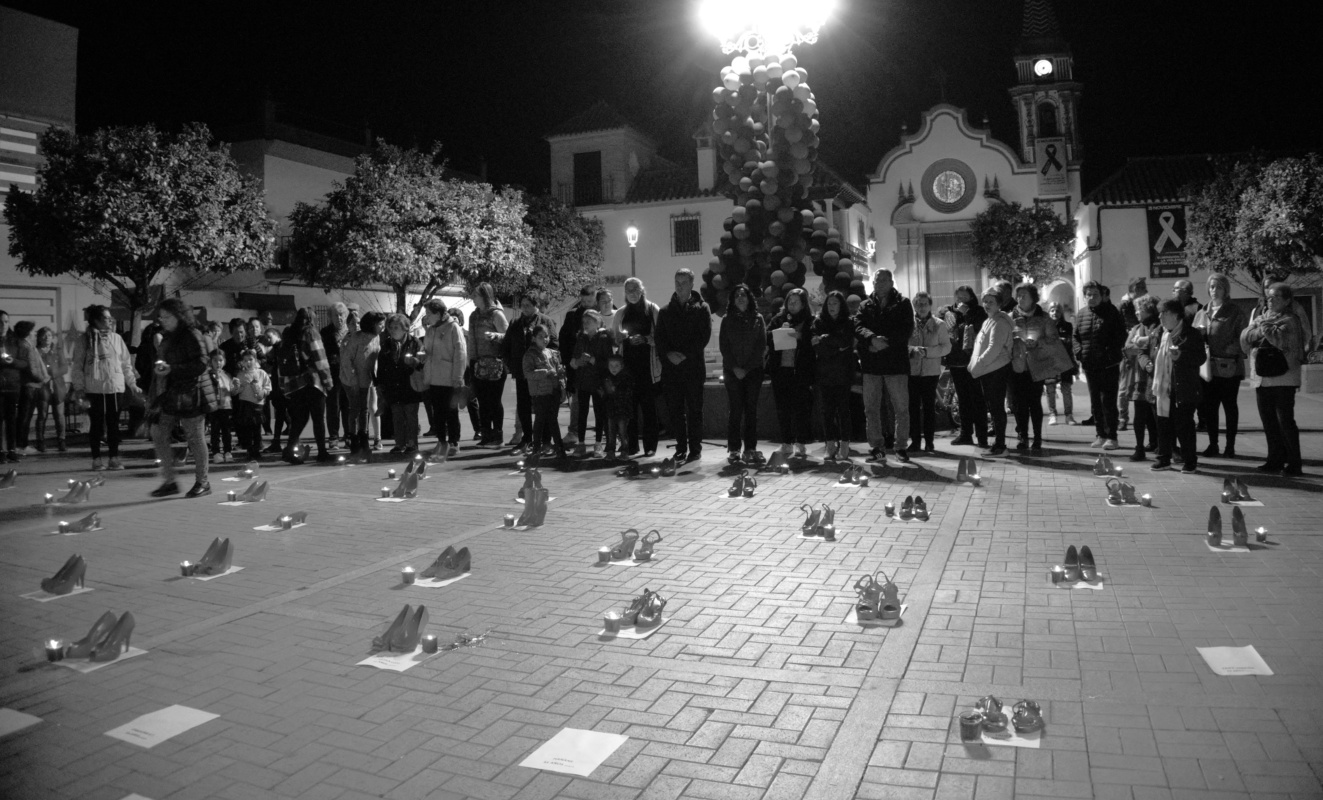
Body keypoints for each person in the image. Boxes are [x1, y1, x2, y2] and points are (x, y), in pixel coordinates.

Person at [147, 298, 215, 497]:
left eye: (167, 317)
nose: (162, 320)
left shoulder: (191, 334)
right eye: (161, 317)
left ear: (179, 316)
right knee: (158, 431)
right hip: (170, 392)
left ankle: (203, 482)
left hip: (192, 393)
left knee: (195, 437)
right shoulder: (168, 336)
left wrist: (172, 369)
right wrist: (161, 368)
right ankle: (169, 481)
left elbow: (202, 364)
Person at [1241, 282, 1306, 476]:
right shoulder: (1263, 317)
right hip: (1262, 378)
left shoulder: (1291, 320)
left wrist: (1261, 328)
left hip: (1284, 378)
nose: (1271, 300)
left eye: (1276, 297)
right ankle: (1274, 459)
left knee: (1285, 421)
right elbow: (1245, 336)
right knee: (1268, 421)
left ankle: (1294, 462)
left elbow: (1278, 339)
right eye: (1269, 297)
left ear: (1287, 300)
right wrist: (1263, 328)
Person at [854, 269, 914, 464]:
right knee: (871, 408)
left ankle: (901, 447)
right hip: (872, 366)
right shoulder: (865, 305)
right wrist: (871, 339)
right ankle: (877, 448)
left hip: (895, 364)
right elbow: (858, 326)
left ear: (891, 282)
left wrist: (883, 342)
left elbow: (905, 329)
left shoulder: (903, 303)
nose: (879, 283)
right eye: (876, 279)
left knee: (901, 408)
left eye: (883, 280)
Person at [69, 305, 137, 470]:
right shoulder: (84, 340)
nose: (110, 321)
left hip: (114, 387)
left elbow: (125, 363)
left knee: (114, 424)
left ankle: (114, 458)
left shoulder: (116, 339)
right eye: (106, 318)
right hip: (94, 388)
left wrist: (132, 383)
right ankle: (97, 459)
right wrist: (79, 387)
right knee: (97, 424)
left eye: (110, 318)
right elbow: (77, 365)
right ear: (97, 321)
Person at [654, 269, 711, 462]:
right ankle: (680, 447)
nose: (679, 286)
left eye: (684, 282)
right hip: (672, 370)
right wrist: (669, 355)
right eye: (677, 282)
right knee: (675, 411)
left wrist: (685, 355)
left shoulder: (702, 308)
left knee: (695, 411)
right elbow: (659, 339)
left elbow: (703, 337)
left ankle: (695, 449)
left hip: (693, 368)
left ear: (691, 284)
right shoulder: (665, 311)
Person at [1192, 274, 1249, 458]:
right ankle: (1213, 444)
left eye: (1218, 287)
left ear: (1226, 290)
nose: (1214, 290)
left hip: (1229, 367)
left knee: (1229, 406)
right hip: (1208, 367)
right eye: (1211, 287)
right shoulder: (1202, 312)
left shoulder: (1235, 311)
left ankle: (1230, 446)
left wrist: (1228, 348)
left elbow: (1242, 338)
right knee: (1210, 407)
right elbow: (1193, 338)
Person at [498, 291, 558, 453]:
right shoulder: (516, 323)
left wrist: (545, 362)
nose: (524, 308)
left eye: (528, 305)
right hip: (522, 372)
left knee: (542, 407)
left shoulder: (545, 321)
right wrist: (512, 364)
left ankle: (546, 441)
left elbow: (553, 344)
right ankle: (527, 439)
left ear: (536, 305)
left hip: (541, 373)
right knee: (523, 406)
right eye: (522, 305)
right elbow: (506, 346)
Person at [274, 307, 336, 464]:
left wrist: (283, 386)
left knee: (299, 419)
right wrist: (328, 382)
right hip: (311, 381)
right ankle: (322, 452)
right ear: (311, 319)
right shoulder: (311, 332)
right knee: (318, 418)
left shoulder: (288, 333)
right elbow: (320, 358)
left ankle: (289, 450)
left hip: (294, 384)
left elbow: (281, 362)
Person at [1151, 298, 1206, 473]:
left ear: (1176, 315)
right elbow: (1151, 353)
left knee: (1184, 426)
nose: (1160, 317)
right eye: (1159, 313)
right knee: (1163, 424)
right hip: (1163, 388)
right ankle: (1163, 458)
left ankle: (1190, 461)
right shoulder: (1160, 333)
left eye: (1164, 313)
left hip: (1184, 388)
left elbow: (1200, 359)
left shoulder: (1191, 334)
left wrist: (1180, 356)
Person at [611, 277, 662, 457]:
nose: (632, 294)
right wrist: (623, 339)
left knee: (649, 408)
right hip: (629, 367)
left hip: (648, 367)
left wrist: (647, 339)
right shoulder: (621, 313)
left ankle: (650, 446)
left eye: (635, 290)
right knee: (629, 408)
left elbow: (662, 338)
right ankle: (632, 445)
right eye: (628, 291)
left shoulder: (652, 310)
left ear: (642, 290)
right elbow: (615, 338)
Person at [1073, 281, 1126, 451]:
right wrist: (1079, 352)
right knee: (1095, 402)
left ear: (1102, 296)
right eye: (1088, 294)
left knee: (1108, 401)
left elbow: (1120, 336)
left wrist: (1110, 354)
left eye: (1095, 294)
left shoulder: (1111, 312)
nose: (1091, 297)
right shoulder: (1081, 314)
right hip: (1089, 364)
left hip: (1108, 365)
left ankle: (1112, 436)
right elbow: (1076, 337)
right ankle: (1100, 434)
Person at [766, 287, 815, 457]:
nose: (792, 305)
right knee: (783, 408)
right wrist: (778, 333)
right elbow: (767, 338)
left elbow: (814, 343)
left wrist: (801, 337)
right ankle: (786, 442)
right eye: (790, 302)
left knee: (801, 408)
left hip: (801, 371)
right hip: (781, 371)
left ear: (803, 304)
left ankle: (801, 443)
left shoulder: (810, 321)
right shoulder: (778, 319)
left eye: (796, 302)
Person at [720, 284, 767, 463]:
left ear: (749, 299)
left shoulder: (758, 318)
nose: (740, 298)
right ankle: (733, 449)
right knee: (735, 410)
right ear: (732, 299)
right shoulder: (726, 319)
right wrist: (735, 368)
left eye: (744, 295)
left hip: (753, 371)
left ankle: (750, 448)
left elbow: (760, 345)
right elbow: (724, 346)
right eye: (737, 295)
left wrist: (746, 369)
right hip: (732, 372)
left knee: (751, 410)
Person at [1008, 284, 1058, 453]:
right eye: (1019, 295)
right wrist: (1014, 342)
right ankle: (1022, 435)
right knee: (1018, 404)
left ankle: (1037, 437)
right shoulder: (1009, 318)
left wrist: (1038, 343)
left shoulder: (1044, 318)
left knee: (1034, 403)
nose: (1020, 299)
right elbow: (1004, 341)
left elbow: (1053, 340)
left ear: (1033, 298)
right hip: (1017, 366)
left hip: (1036, 366)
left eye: (1024, 295)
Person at [968, 286, 1015, 455]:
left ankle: (1000, 445)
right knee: (994, 408)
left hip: (995, 370)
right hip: (987, 370)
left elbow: (993, 349)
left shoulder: (1000, 322)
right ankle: (998, 444)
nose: (987, 304)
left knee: (996, 408)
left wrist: (977, 365)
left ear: (999, 304)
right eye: (985, 301)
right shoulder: (989, 320)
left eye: (991, 302)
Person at [939, 286, 988, 447]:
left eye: (964, 296)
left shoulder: (978, 312)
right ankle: (966, 433)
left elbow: (980, 330)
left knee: (977, 399)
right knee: (962, 399)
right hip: (956, 361)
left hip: (973, 361)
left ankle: (982, 436)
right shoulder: (950, 313)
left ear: (971, 297)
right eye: (958, 296)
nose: (961, 300)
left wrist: (966, 313)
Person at [419, 298, 467, 460]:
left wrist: (458, 377)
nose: (427, 317)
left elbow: (460, 354)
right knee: (437, 412)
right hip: (434, 377)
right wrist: (423, 355)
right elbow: (426, 349)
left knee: (451, 412)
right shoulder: (431, 329)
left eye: (429, 314)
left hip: (449, 377)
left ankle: (454, 442)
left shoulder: (453, 327)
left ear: (439, 313)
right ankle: (441, 441)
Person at [813, 290, 859, 461]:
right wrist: (833, 345)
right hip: (824, 373)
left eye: (835, 303)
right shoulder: (819, 322)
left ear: (841, 305)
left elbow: (845, 343)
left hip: (843, 372)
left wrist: (825, 340)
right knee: (827, 411)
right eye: (829, 303)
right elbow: (817, 347)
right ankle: (830, 445)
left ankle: (844, 445)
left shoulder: (848, 322)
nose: (832, 307)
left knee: (843, 410)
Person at [907, 291, 950, 453]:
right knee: (913, 408)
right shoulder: (908, 324)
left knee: (929, 408)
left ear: (930, 305)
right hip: (912, 372)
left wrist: (927, 352)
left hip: (930, 373)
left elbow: (946, 347)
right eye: (918, 303)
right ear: (914, 305)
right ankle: (915, 441)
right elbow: (900, 345)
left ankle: (930, 442)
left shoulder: (939, 324)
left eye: (925, 303)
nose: (922, 307)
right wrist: (912, 350)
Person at [1122, 295, 1163, 462]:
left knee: (1158, 416)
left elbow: (1160, 344)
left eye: (1141, 309)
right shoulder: (1137, 328)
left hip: (1157, 377)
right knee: (1139, 416)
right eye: (1136, 308)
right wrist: (1143, 344)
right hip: (1140, 379)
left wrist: (1143, 343)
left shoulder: (1159, 327)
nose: (1137, 312)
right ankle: (1139, 447)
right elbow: (1128, 347)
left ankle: (1162, 446)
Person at [376, 313, 424, 454]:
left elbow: (422, 363)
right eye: (390, 328)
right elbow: (381, 366)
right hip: (393, 386)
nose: (392, 330)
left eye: (396, 327)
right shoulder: (386, 345)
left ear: (405, 328)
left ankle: (412, 444)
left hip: (410, 386)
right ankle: (399, 444)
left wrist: (414, 362)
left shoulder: (415, 343)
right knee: (397, 416)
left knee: (410, 416)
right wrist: (381, 384)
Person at [469, 283, 509, 447]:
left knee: (494, 400)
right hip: (478, 363)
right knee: (482, 401)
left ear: (485, 296)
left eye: (476, 296)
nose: (473, 299)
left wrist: (495, 336)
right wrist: (471, 361)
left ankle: (497, 434)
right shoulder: (474, 315)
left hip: (495, 363)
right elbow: (471, 340)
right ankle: (486, 434)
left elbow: (507, 336)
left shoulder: (496, 314)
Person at [570, 309, 613, 457]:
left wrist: (592, 359)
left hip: (598, 381)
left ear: (597, 322)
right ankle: (581, 444)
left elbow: (608, 361)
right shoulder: (581, 338)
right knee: (582, 412)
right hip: (582, 380)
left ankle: (598, 443)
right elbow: (574, 358)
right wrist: (577, 362)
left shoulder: (603, 338)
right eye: (584, 322)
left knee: (599, 412)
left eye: (589, 322)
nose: (585, 325)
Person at [1, 321, 46, 461]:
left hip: (15, 385)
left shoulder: (19, 344)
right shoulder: (24, 345)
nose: (35, 334)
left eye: (6, 321)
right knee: (22, 417)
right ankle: (16, 446)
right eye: (33, 331)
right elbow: (31, 367)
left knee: (14, 419)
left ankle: (12, 448)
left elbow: (24, 363)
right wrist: (42, 378)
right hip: (24, 384)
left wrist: (12, 361)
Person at [559, 286, 597, 448]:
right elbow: (564, 339)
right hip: (578, 367)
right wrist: (569, 363)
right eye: (584, 301)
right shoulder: (573, 314)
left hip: (598, 365)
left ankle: (608, 433)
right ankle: (574, 432)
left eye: (590, 301)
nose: (587, 304)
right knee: (577, 402)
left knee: (602, 400)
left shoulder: (602, 310)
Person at [523, 323, 567, 458]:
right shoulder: (530, 355)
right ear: (534, 338)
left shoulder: (552, 353)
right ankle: (536, 447)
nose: (544, 339)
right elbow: (528, 373)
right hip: (540, 393)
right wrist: (545, 372)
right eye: (541, 337)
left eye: (546, 336)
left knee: (553, 420)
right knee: (540, 420)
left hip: (553, 391)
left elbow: (559, 371)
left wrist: (561, 375)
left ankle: (559, 447)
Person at [340, 312, 382, 454]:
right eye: (380, 324)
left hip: (367, 378)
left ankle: (363, 437)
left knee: (364, 409)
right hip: (351, 378)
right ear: (372, 325)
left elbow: (375, 357)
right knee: (355, 408)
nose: (382, 326)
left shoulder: (376, 337)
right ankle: (353, 438)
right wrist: (353, 380)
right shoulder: (356, 338)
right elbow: (346, 360)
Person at [30, 327, 68, 452]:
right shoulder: (35, 352)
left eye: (50, 335)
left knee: (59, 414)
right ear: (39, 337)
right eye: (44, 335)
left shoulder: (57, 350)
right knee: (42, 414)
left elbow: (64, 367)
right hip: (42, 386)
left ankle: (61, 440)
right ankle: (40, 441)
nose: (47, 338)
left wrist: (52, 374)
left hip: (57, 385)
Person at [320, 302, 352, 449]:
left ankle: (349, 435)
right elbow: (322, 353)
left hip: (349, 373)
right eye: (336, 315)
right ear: (330, 317)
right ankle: (333, 437)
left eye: (342, 315)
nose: (339, 318)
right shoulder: (325, 333)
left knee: (348, 405)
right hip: (332, 374)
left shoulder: (351, 331)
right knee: (333, 405)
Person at [233, 348, 271, 462]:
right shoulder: (240, 374)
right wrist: (239, 387)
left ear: (255, 360)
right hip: (245, 404)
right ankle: (249, 450)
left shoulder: (261, 373)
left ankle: (257, 449)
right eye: (245, 360)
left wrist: (262, 392)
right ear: (242, 362)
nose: (248, 362)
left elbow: (268, 387)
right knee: (247, 430)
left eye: (250, 359)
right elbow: (234, 391)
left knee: (257, 429)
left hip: (257, 405)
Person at [1045, 302, 1078, 426]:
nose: (1055, 313)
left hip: (1065, 361)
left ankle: (1069, 415)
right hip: (1050, 362)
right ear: (1048, 312)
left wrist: (1060, 341)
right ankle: (1052, 414)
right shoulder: (1045, 326)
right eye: (1052, 310)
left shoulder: (1067, 326)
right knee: (1050, 389)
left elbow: (1070, 341)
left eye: (1057, 310)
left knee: (1066, 389)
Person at [602, 354, 635, 459]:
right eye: (611, 366)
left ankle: (625, 450)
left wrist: (615, 390)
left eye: (616, 366)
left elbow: (628, 394)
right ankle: (611, 450)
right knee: (611, 432)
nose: (613, 368)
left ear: (622, 366)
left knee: (622, 432)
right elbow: (605, 395)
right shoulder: (607, 378)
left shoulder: (626, 379)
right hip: (611, 410)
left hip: (623, 410)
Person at [207, 350, 235, 462]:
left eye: (220, 360)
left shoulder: (227, 375)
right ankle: (216, 452)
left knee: (226, 431)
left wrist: (236, 387)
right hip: (214, 407)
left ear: (224, 361)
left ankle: (228, 451)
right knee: (215, 430)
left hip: (226, 406)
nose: (218, 363)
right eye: (215, 360)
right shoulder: (208, 375)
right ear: (211, 361)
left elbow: (232, 391)